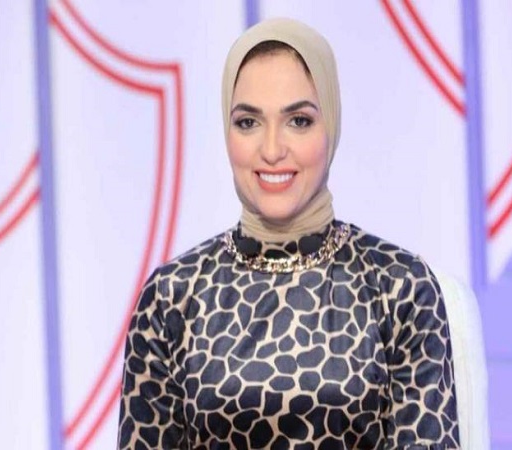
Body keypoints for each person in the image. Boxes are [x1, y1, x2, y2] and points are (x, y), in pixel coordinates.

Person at [118, 17, 460, 449]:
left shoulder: (400, 286)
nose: (272, 149)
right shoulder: (172, 296)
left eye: (298, 120)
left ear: (331, 124)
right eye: (248, 122)